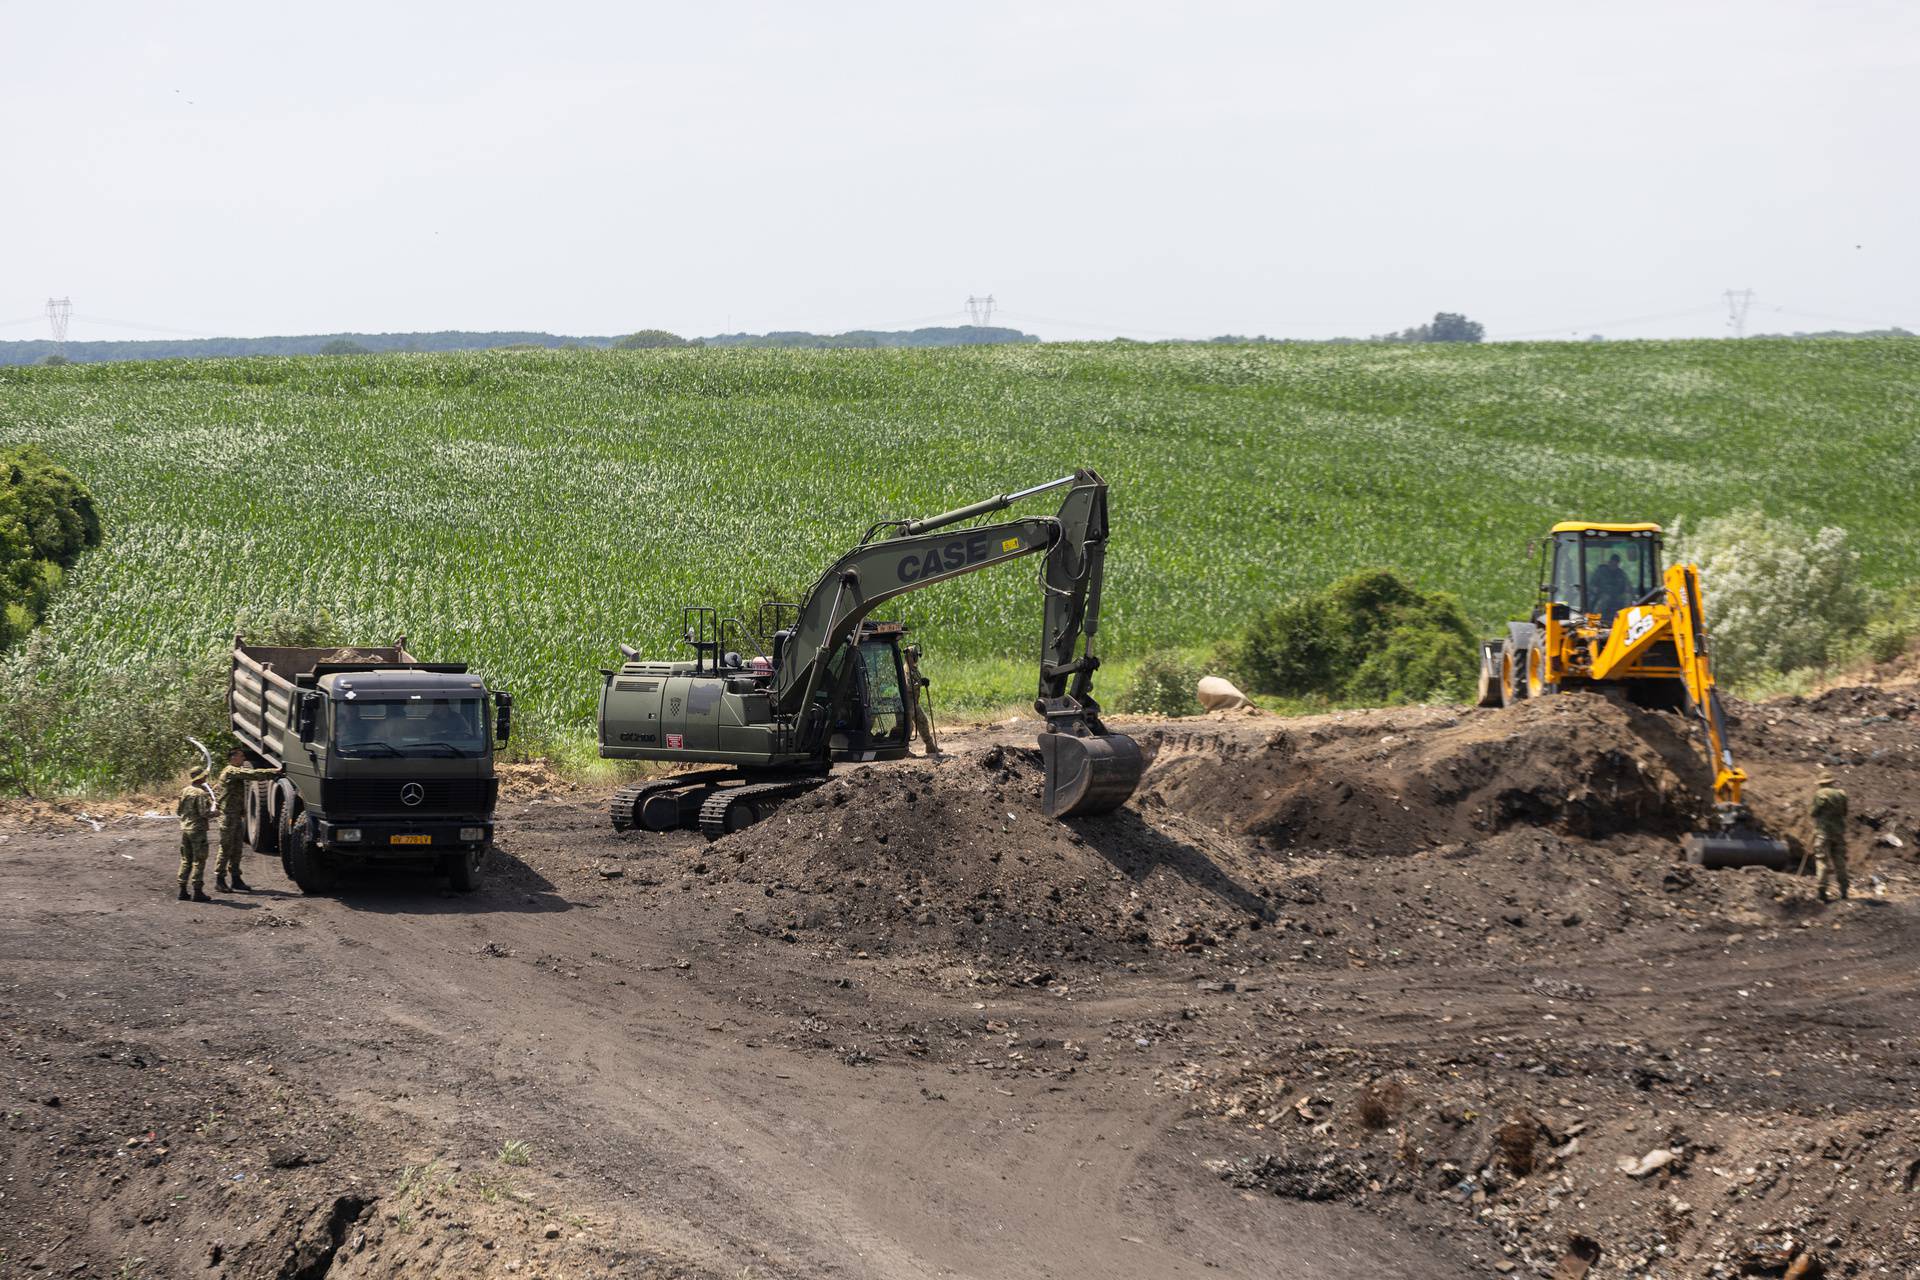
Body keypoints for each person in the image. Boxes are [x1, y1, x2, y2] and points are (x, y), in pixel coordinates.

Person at [213, 749, 280, 893]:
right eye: (241, 756)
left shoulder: (235, 770)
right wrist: (274, 771)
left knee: (237, 848)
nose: (243, 758)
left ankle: (236, 879)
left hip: (235, 815)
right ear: (233, 757)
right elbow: (252, 774)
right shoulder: (231, 771)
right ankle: (220, 879)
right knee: (226, 848)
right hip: (228, 816)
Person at [176, 766, 216, 902]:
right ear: (201, 777)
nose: (206, 777)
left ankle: (182, 890)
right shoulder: (200, 794)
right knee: (199, 860)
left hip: (185, 829)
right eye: (204, 776)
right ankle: (197, 891)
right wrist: (216, 813)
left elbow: (178, 811)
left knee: (186, 860)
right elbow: (204, 813)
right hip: (198, 830)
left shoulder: (184, 791)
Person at [1811, 771, 1850, 902]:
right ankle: (1844, 890)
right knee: (1840, 861)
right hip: (1838, 832)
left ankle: (1822, 892)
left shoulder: (1820, 794)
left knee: (1822, 860)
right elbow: (1844, 812)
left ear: (1821, 783)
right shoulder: (1841, 794)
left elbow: (1814, 812)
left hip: (1823, 832)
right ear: (1832, 782)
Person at [903, 644, 941, 757]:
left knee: (923, 721)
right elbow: (908, 686)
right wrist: (920, 682)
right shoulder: (906, 671)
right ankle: (904, 750)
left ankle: (930, 746)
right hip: (908, 703)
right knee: (909, 727)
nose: (914, 658)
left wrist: (921, 681)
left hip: (914, 702)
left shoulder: (913, 669)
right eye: (913, 656)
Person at [1589, 552, 1630, 618]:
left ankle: (1626, 618)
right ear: (1609, 562)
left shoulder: (1621, 574)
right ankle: (1594, 617)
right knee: (1605, 599)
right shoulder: (1600, 572)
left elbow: (1627, 587)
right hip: (1601, 595)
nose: (1614, 565)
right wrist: (1596, 590)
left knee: (1627, 598)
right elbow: (1592, 585)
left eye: (1616, 563)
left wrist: (1627, 593)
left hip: (1617, 596)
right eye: (1612, 562)